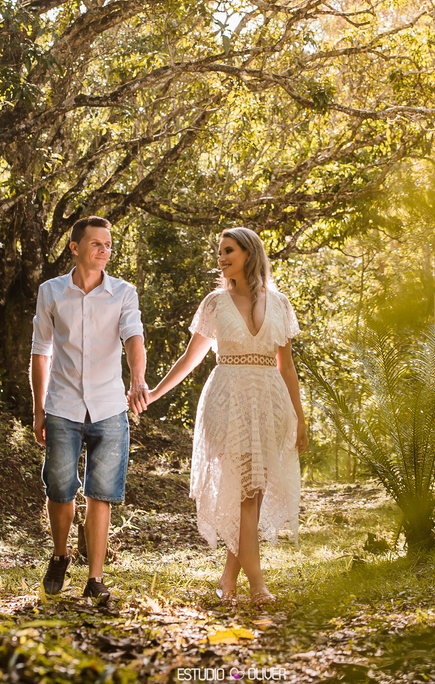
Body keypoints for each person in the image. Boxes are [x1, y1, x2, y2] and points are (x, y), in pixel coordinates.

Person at [142, 227, 307, 605]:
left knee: (252, 494)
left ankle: (228, 580)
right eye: (219, 252)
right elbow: (190, 358)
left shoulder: (280, 304)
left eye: (228, 250)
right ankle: (258, 586)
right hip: (227, 403)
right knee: (248, 493)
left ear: (250, 253)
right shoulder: (215, 303)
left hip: (269, 404)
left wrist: (299, 417)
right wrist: (153, 393)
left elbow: (287, 367)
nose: (221, 258)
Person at [30, 216, 148, 605]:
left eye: (108, 245)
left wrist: (137, 379)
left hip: (109, 407)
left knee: (101, 495)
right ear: (74, 247)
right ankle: (60, 555)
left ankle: (95, 578)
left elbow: (134, 337)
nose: (104, 250)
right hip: (62, 406)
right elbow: (41, 352)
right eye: (96, 243)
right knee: (59, 489)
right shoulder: (51, 292)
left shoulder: (123, 293)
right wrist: (38, 409)